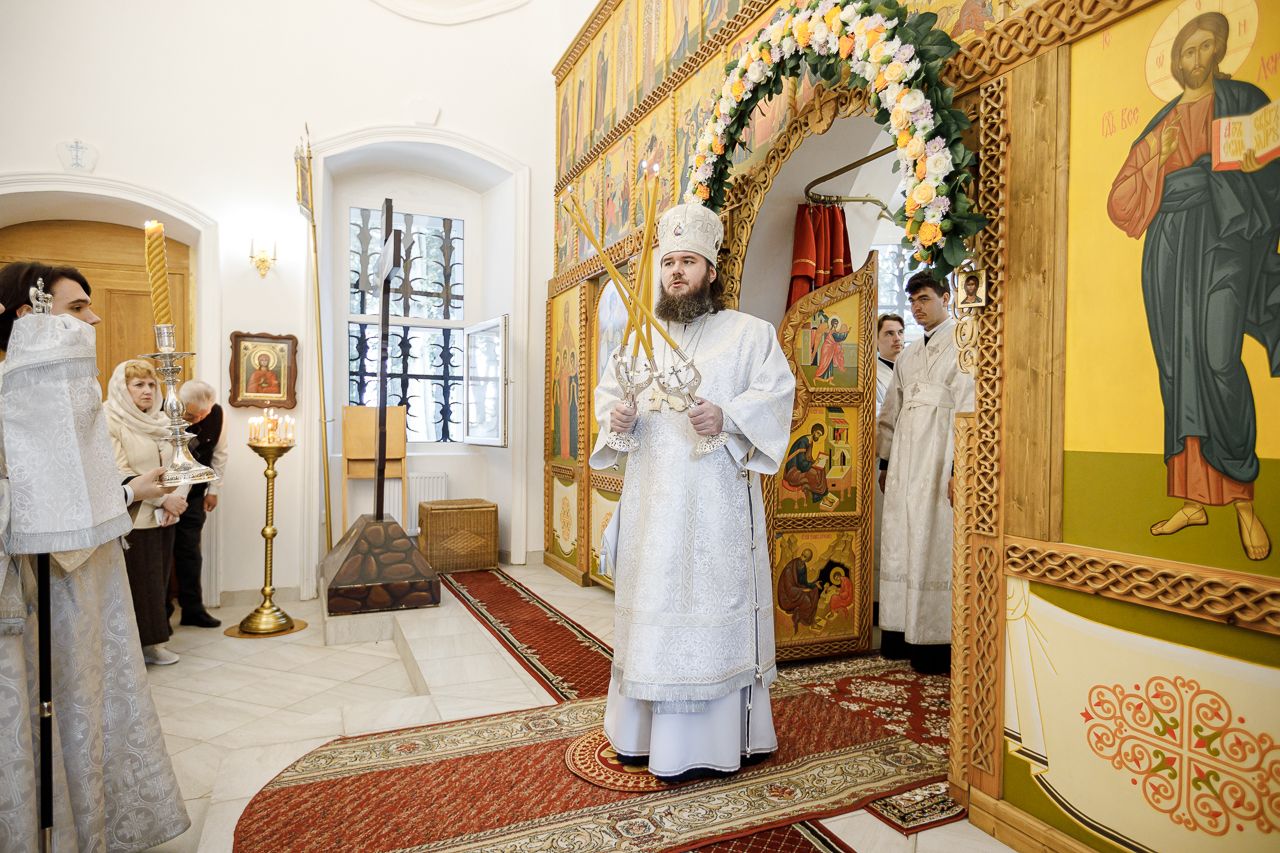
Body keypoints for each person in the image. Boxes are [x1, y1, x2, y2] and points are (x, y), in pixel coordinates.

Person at [591, 202, 795, 783]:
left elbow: (777, 397)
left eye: (688, 261)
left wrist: (727, 417)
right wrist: (619, 420)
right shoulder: (638, 341)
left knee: (711, 612)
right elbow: (610, 406)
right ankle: (639, 736)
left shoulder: (750, 335)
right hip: (652, 510)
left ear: (711, 269)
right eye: (669, 262)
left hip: (715, 515)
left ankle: (718, 741)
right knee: (651, 613)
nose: (676, 271)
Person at [0, 262, 188, 850]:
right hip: (36, 596)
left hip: (82, 591)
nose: (95, 319)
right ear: (30, 316)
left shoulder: (66, 402)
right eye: (78, 307)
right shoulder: (11, 401)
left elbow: (78, 492)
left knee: (86, 710)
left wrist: (129, 492)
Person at [1107, 11, 1278, 560]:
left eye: (1207, 46)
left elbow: (1272, 166)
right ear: (1176, 61)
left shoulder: (1244, 99)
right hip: (1169, 246)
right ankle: (1192, 498)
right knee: (1176, 366)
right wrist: (1156, 163)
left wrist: (1249, 168)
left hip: (1226, 236)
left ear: (1220, 51)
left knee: (1219, 359)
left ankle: (1243, 499)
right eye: (1188, 49)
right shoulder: (1161, 123)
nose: (1197, 57)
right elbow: (1120, 201)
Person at [877, 270, 975, 674]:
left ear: (946, 299)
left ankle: (934, 640)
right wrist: (885, 462)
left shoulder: (965, 343)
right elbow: (891, 410)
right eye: (913, 301)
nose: (917, 308)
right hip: (905, 456)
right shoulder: (909, 355)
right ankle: (900, 631)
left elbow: (969, 406)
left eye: (925, 299)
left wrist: (959, 467)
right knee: (902, 537)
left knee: (933, 536)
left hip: (940, 452)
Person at [105, 359, 190, 666]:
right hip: (133, 518)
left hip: (166, 517)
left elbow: (182, 463)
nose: (147, 391)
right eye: (138, 384)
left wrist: (177, 499)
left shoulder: (164, 421)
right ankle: (138, 647)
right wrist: (162, 500)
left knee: (158, 581)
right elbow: (119, 471)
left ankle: (154, 642)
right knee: (137, 583)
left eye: (152, 384)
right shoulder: (110, 419)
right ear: (122, 388)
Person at [171, 380, 226, 627]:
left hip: (195, 495)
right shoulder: (165, 412)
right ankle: (161, 615)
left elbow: (220, 454)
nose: (198, 420)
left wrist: (213, 490)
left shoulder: (217, 414)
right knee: (162, 555)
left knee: (190, 553)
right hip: (164, 495)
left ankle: (192, 609)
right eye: (192, 415)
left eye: (203, 414)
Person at [784, 423, 829, 504]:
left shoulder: (810, 441)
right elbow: (801, 463)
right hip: (794, 470)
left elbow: (808, 458)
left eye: (820, 435)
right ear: (813, 431)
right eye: (818, 433)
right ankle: (818, 496)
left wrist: (817, 462)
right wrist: (812, 464)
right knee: (814, 473)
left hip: (802, 466)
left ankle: (824, 494)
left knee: (821, 469)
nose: (818, 436)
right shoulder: (803, 442)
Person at [876, 313, 905, 410]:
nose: (897, 338)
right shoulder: (870, 376)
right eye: (889, 333)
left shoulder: (915, 370)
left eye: (900, 332)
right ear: (875, 340)